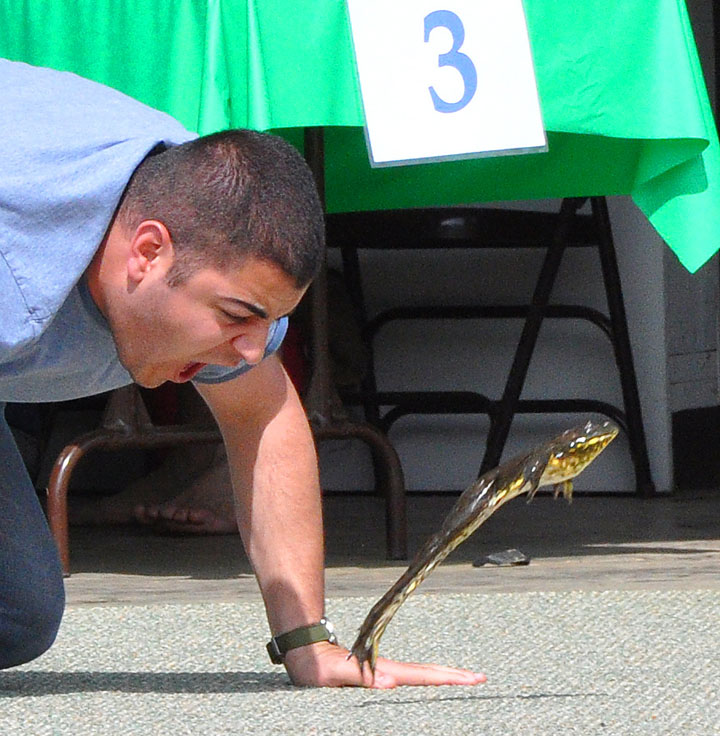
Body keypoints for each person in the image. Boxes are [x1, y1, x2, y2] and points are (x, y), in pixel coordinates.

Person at [0, 59, 486, 689]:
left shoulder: (193, 212)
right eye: (236, 316)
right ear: (147, 253)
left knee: (18, 614)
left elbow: (264, 415)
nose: (254, 353)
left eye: (270, 322)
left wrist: (307, 642)